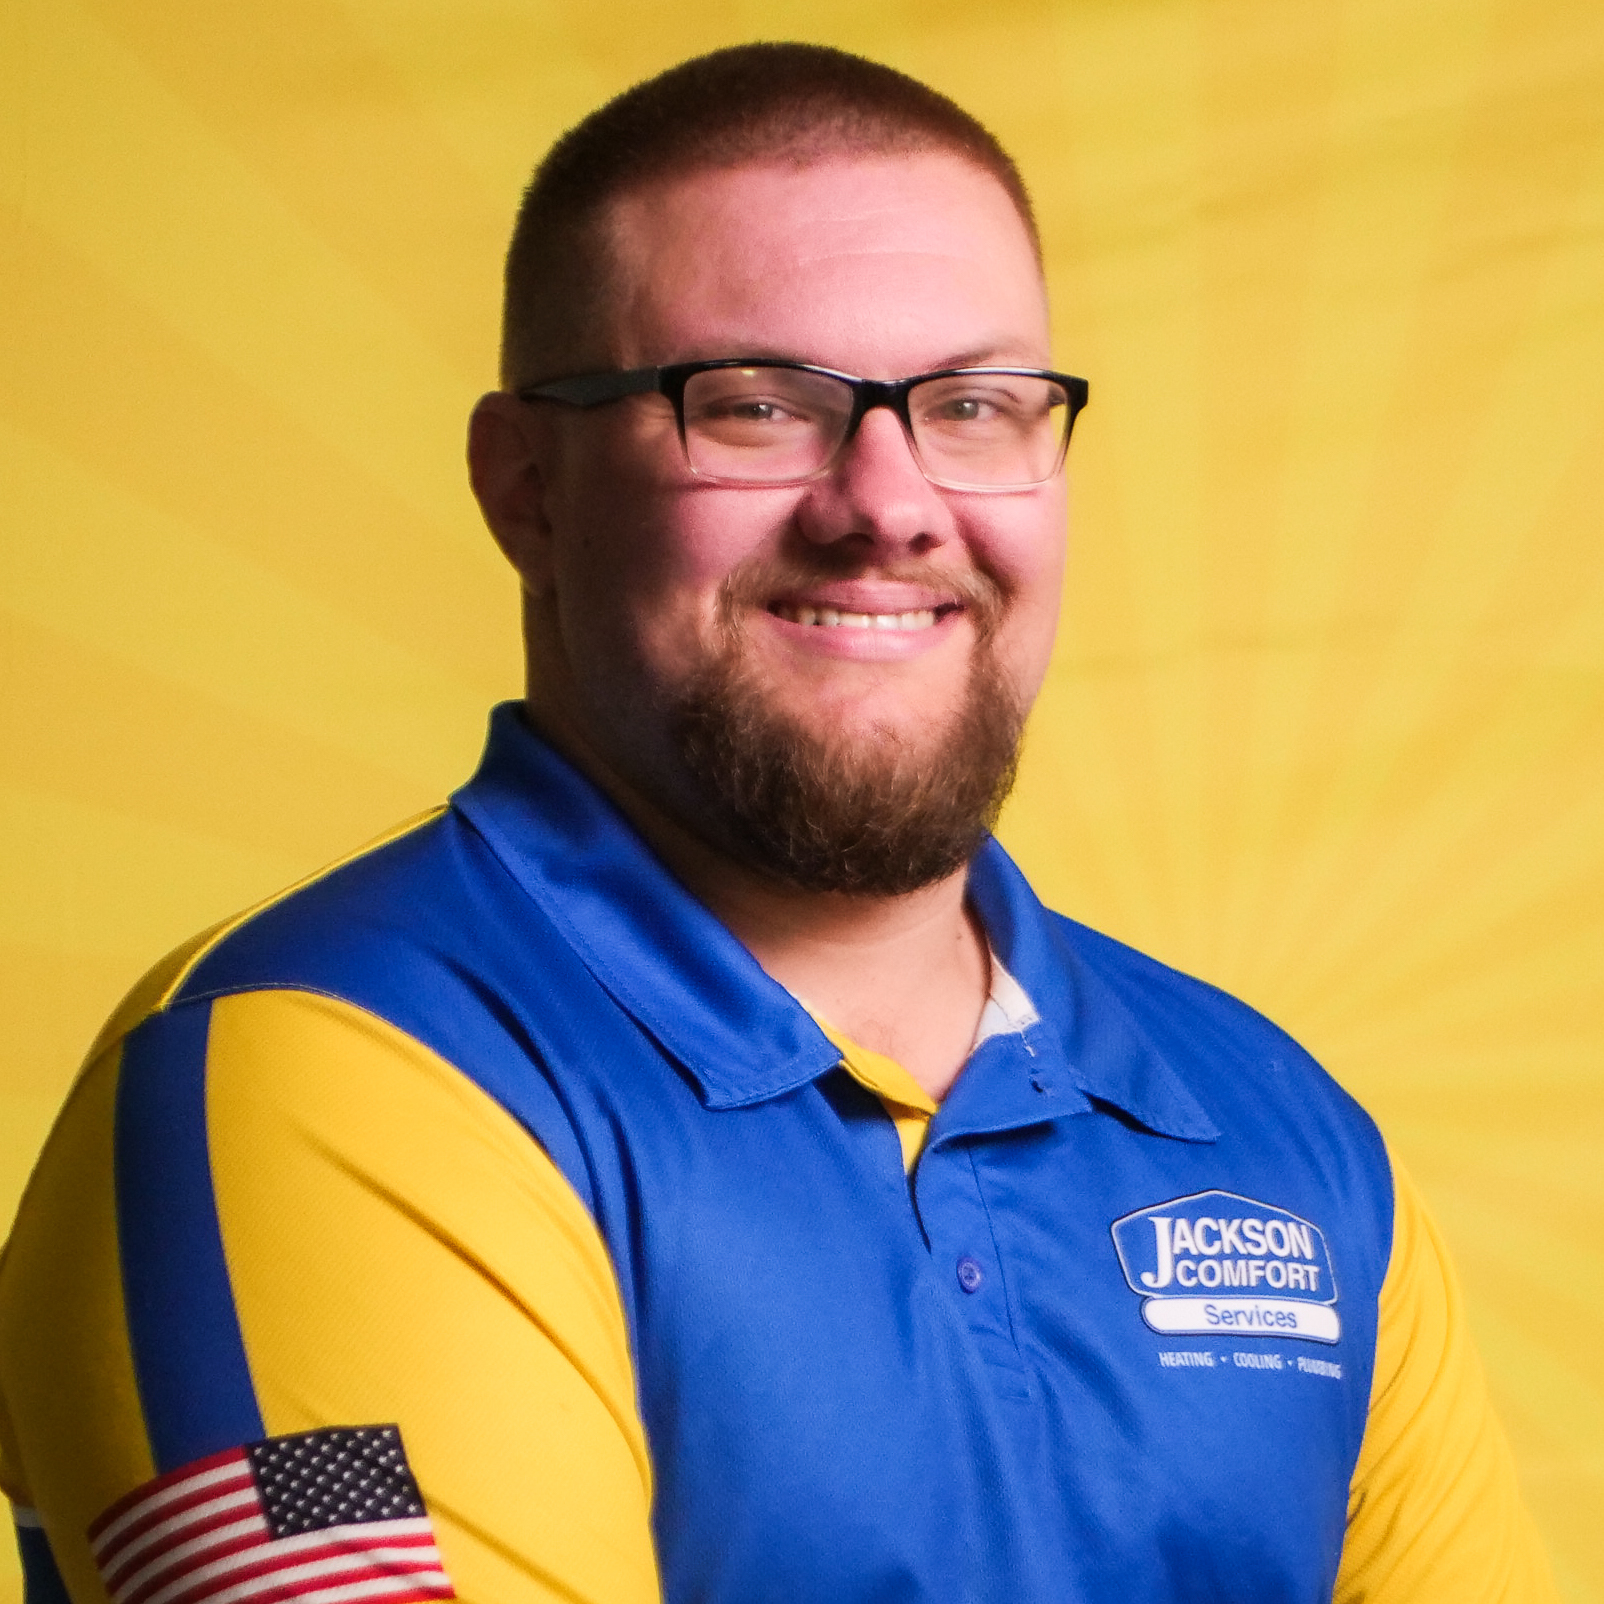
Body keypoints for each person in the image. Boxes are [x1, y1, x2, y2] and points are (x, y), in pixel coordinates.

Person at [0, 42, 1556, 1604]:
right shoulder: (295, 1084)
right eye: (755, 405)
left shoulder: (1279, 1133)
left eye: (975, 405)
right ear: (526, 486)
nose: (889, 503)